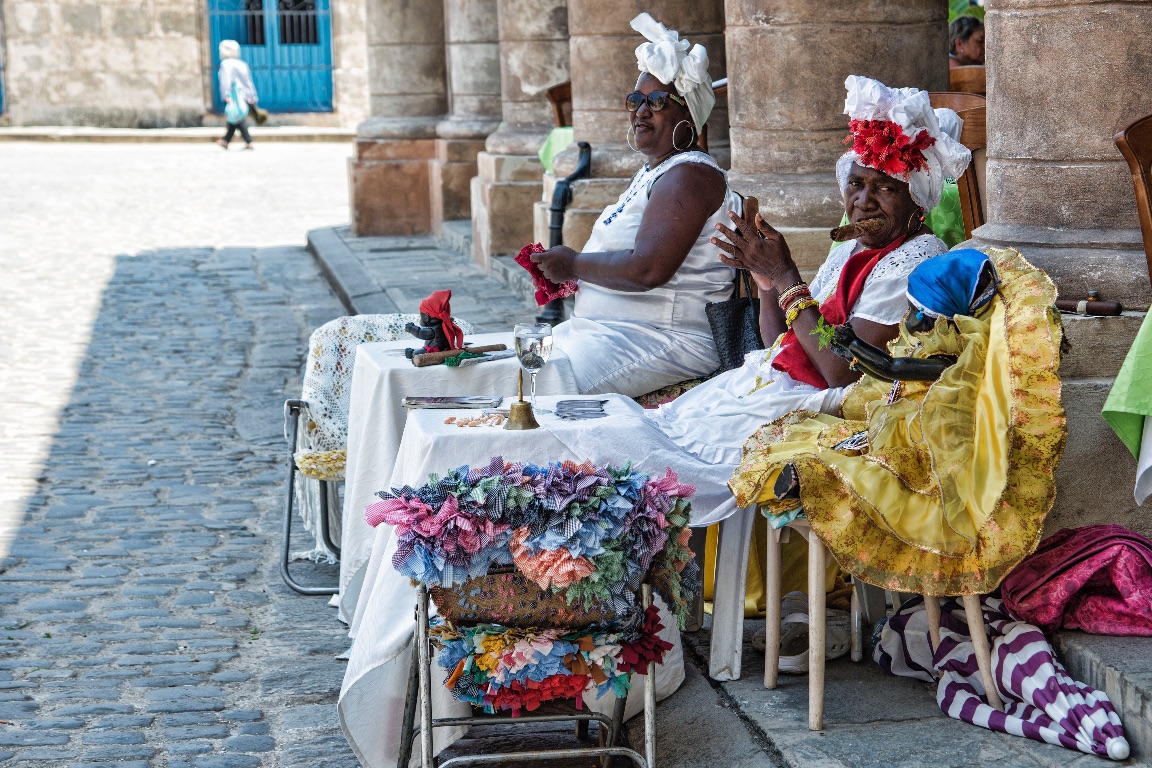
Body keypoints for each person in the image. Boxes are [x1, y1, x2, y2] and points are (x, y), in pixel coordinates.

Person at [729, 247, 1066, 597]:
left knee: (873, 472)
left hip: (930, 442)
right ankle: (806, 473)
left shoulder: (955, 360)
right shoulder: (927, 341)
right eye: (911, 309)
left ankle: (809, 476)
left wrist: (855, 347)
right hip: (896, 421)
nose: (910, 321)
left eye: (921, 314)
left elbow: (892, 370)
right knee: (824, 438)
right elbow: (885, 374)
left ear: (948, 319)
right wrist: (850, 351)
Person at [529, 13, 742, 397]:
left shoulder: (689, 176)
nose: (641, 111)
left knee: (533, 388)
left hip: (664, 341)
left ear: (688, 115)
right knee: (508, 364)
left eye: (657, 101)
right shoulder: (658, 171)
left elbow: (648, 269)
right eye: (635, 100)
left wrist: (574, 264)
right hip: (606, 333)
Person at [216, 40, 259, 150]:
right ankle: (226, 140)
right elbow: (248, 81)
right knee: (236, 117)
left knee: (237, 117)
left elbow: (226, 81)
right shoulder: (242, 64)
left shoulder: (226, 64)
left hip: (234, 96)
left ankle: (247, 141)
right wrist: (253, 96)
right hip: (245, 95)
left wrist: (226, 95)